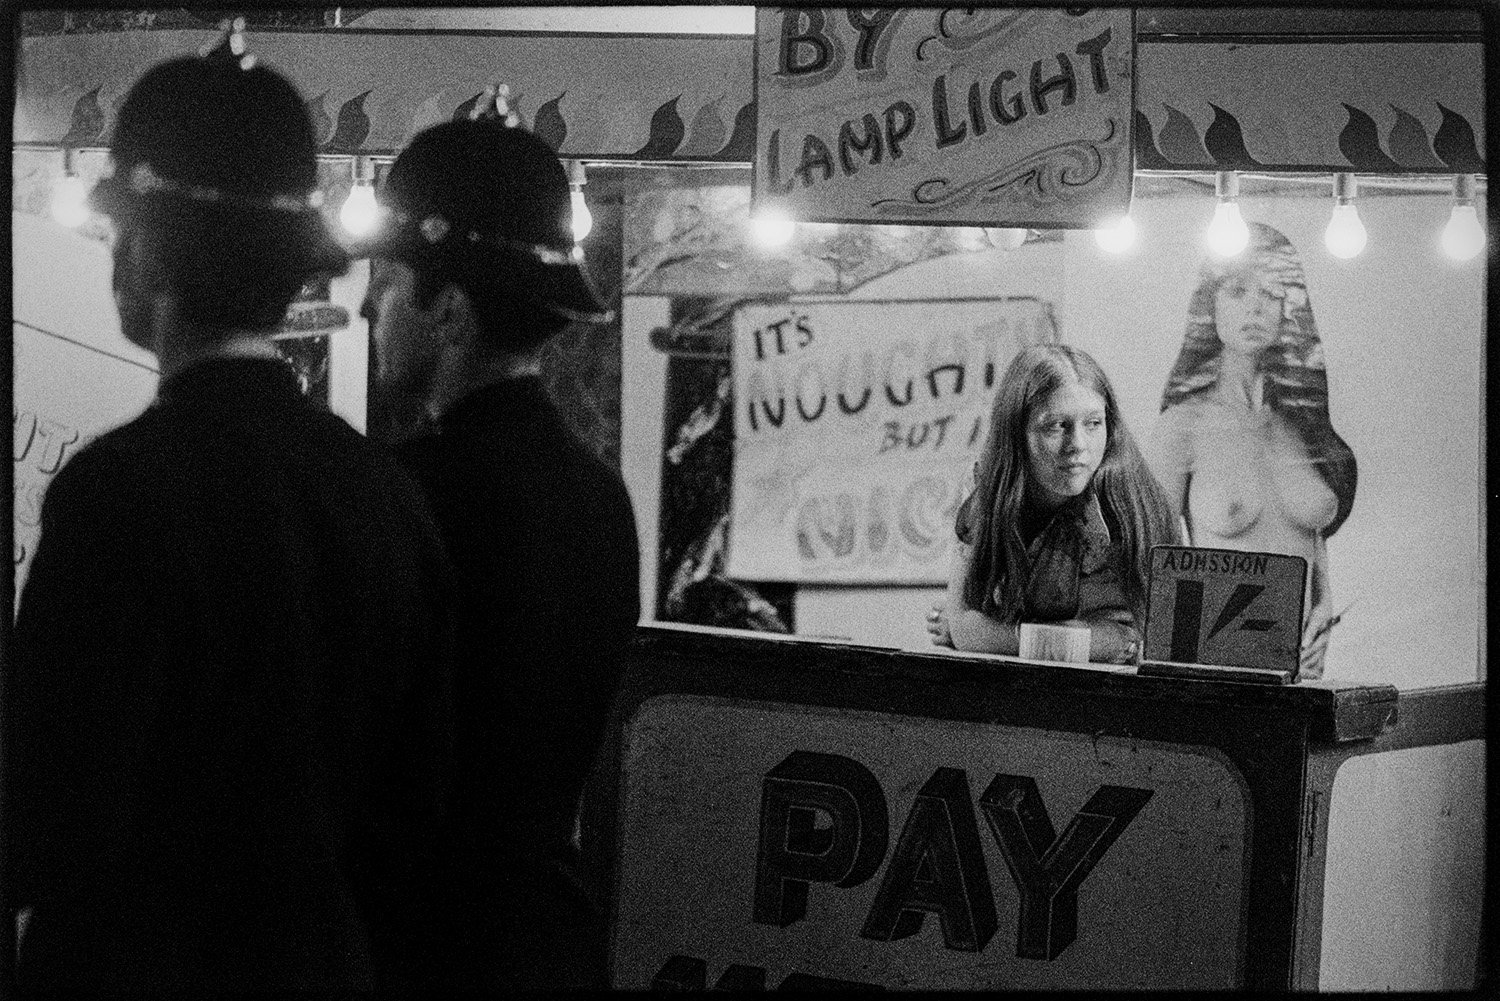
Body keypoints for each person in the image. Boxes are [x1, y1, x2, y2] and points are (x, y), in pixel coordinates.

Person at [4, 36, 457, 991]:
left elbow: (41, 812)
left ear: (147, 251)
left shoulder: (116, 490)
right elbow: (418, 809)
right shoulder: (386, 494)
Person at [359, 109, 641, 990]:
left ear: (448, 309)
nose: (370, 304)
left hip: (421, 951)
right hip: (548, 945)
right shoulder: (602, 499)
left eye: (390, 278)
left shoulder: (403, 495)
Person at [1147, 222, 1357, 680]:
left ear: (1290, 306)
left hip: (1308, 670)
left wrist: (1325, 604)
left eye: (1272, 293)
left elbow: (1307, 535)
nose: (1255, 309)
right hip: (1221, 672)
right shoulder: (1183, 426)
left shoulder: (1304, 423)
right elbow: (1156, 570)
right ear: (1212, 302)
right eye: (1238, 291)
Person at [927, 344, 1180, 661]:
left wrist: (993, 634)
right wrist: (1090, 641)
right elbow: (966, 630)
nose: (1077, 446)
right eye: (1056, 425)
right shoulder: (988, 483)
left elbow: (1150, 640)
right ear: (1017, 433)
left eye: (1093, 424)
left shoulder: (1136, 500)